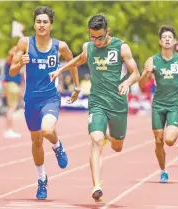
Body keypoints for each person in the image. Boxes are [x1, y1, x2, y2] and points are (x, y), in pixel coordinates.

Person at [49, 14, 140, 202]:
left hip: (117, 104)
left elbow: (136, 73)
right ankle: (97, 186)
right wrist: (60, 69)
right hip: (97, 101)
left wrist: (127, 83)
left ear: (108, 32)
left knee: (117, 146)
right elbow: (79, 60)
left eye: (100, 37)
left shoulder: (121, 47)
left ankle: (110, 135)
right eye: (92, 37)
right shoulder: (88, 47)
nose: (96, 41)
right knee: (95, 140)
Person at [9, 6, 80, 200]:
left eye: (45, 22)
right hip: (31, 100)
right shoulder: (24, 43)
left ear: (50, 25)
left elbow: (72, 62)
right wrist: (20, 63)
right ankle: (42, 179)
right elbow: (12, 72)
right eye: (38, 21)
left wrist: (77, 86)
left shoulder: (60, 46)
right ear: (34, 24)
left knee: (47, 130)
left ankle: (57, 146)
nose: (41, 25)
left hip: (50, 97)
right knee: (36, 140)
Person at [138, 26, 178, 183]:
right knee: (159, 140)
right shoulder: (152, 60)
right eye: (165, 37)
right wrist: (147, 73)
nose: (167, 39)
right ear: (160, 41)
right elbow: (142, 85)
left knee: (169, 140)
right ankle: (163, 171)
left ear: (174, 41)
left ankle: (174, 139)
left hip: (174, 104)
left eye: (170, 37)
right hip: (158, 105)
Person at [3, 46, 22, 138]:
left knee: (11, 107)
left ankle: (9, 129)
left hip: (12, 85)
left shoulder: (15, 62)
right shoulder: (10, 61)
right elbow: (11, 54)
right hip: (12, 85)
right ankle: (9, 129)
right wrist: (17, 49)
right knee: (11, 108)